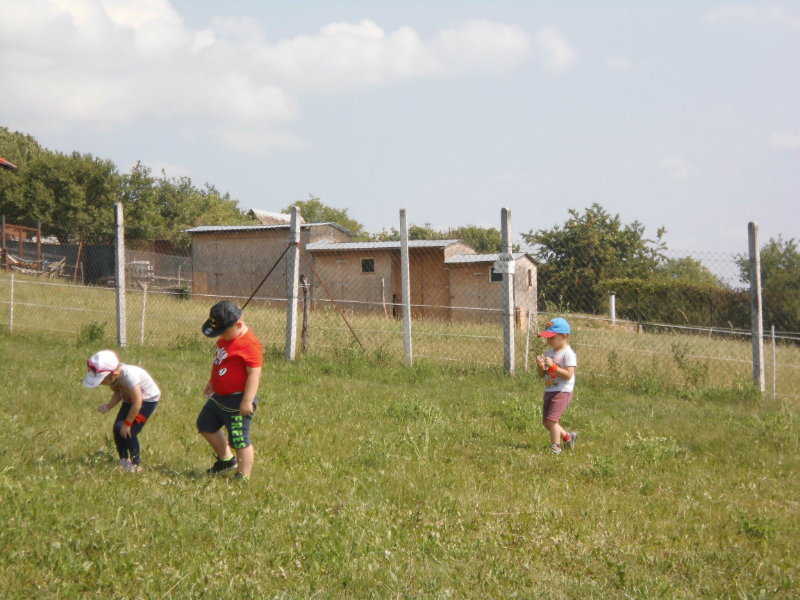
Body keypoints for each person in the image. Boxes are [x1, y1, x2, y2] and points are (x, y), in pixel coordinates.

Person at [197, 301, 263, 480]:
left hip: (238, 400)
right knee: (205, 424)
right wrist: (212, 381)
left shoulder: (250, 345)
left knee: (239, 439)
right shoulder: (227, 338)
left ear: (238, 325)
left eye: (223, 332)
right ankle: (226, 460)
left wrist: (247, 401)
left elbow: (254, 375)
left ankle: (243, 475)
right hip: (219, 396)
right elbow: (220, 362)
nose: (221, 336)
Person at [83, 350, 161, 472]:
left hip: (146, 401)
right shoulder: (113, 378)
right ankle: (124, 460)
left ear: (114, 374)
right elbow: (118, 393)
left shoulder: (130, 377)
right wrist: (108, 406)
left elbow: (138, 402)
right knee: (117, 428)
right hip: (129, 399)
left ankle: (135, 465)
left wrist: (128, 424)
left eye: (102, 380)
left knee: (129, 432)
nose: (102, 383)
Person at [535, 318, 578, 455]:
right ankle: (568, 437)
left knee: (552, 420)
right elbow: (542, 375)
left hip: (563, 391)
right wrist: (541, 367)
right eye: (547, 337)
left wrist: (553, 366)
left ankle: (556, 447)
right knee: (546, 422)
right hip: (550, 389)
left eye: (551, 337)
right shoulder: (549, 353)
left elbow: (568, 374)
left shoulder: (568, 353)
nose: (548, 340)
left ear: (563, 336)